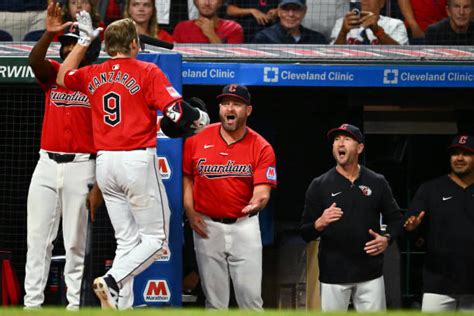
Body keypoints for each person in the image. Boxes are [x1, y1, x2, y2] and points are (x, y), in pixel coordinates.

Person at [56, 15, 209, 309]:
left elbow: (63, 75)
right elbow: (177, 113)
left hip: (105, 165)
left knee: (127, 240)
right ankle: (112, 280)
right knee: (156, 240)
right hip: (135, 160)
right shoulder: (147, 70)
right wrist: (199, 119)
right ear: (134, 43)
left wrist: (84, 42)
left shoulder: (92, 72)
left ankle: (119, 305)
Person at [24, 2, 102, 311]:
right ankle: (31, 305)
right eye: (65, 45)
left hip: (81, 166)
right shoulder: (54, 73)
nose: (69, 50)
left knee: (74, 243)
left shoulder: (96, 80)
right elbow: (35, 61)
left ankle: (73, 306)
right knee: (38, 240)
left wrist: (98, 183)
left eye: (75, 44)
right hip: (45, 164)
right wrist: (48, 34)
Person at [182, 84, 277, 309]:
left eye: (236, 104)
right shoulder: (196, 140)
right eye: (225, 103)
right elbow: (188, 178)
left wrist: (258, 201)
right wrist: (190, 211)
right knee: (215, 302)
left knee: (251, 299)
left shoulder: (261, 146)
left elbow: (263, 190)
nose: (229, 108)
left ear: (248, 110)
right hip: (207, 226)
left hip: (244, 226)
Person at [300, 123, 402, 311]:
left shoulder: (377, 181)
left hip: (370, 273)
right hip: (333, 274)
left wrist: (387, 239)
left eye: (347, 139)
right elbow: (304, 232)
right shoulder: (319, 184)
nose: (340, 143)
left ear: (360, 148)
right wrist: (320, 223)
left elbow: (396, 220)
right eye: (336, 140)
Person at [403, 134, 474, 312]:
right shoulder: (430, 189)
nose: (459, 158)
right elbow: (410, 230)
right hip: (438, 284)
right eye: (455, 153)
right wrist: (412, 228)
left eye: (466, 154)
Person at [330, 0, 409, 45]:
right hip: (349, 71)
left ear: (381, 3)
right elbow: (332, 56)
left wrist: (378, 31)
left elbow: (402, 56)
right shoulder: (343, 23)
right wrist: (343, 33)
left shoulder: (395, 24)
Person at [252, 0, 327, 44]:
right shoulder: (264, 38)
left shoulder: (317, 39)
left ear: (304, 11)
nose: (291, 14)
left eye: (296, 9)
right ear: (279, 11)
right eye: (285, 9)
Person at [173, 0, 244, 43]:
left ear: (221, 2)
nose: (207, 3)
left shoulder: (233, 28)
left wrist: (211, 34)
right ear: (195, 2)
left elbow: (231, 60)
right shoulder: (182, 28)